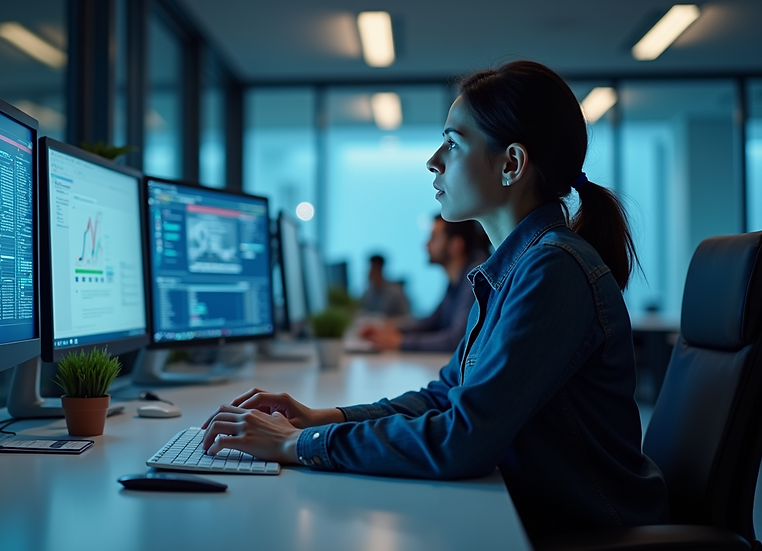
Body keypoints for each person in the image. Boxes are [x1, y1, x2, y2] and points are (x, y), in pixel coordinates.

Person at [198, 60, 668, 539]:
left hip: (585, 528)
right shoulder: (517, 268)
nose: (433, 160)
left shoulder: (552, 269)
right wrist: (324, 418)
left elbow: (464, 439)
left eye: (453, 142)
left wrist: (301, 444)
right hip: (542, 508)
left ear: (511, 164)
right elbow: (445, 396)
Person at [359, 216, 489, 351]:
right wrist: (391, 330)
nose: (426, 245)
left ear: (456, 245)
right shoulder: (456, 280)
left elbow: (458, 340)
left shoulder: (475, 277)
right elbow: (433, 322)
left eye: (433, 238)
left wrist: (401, 342)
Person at [357, 254, 411, 319]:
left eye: (370, 268)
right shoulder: (367, 293)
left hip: (390, 328)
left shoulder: (395, 292)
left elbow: (406, 318)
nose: (367, 272)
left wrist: (384, 323)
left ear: (378, 269)